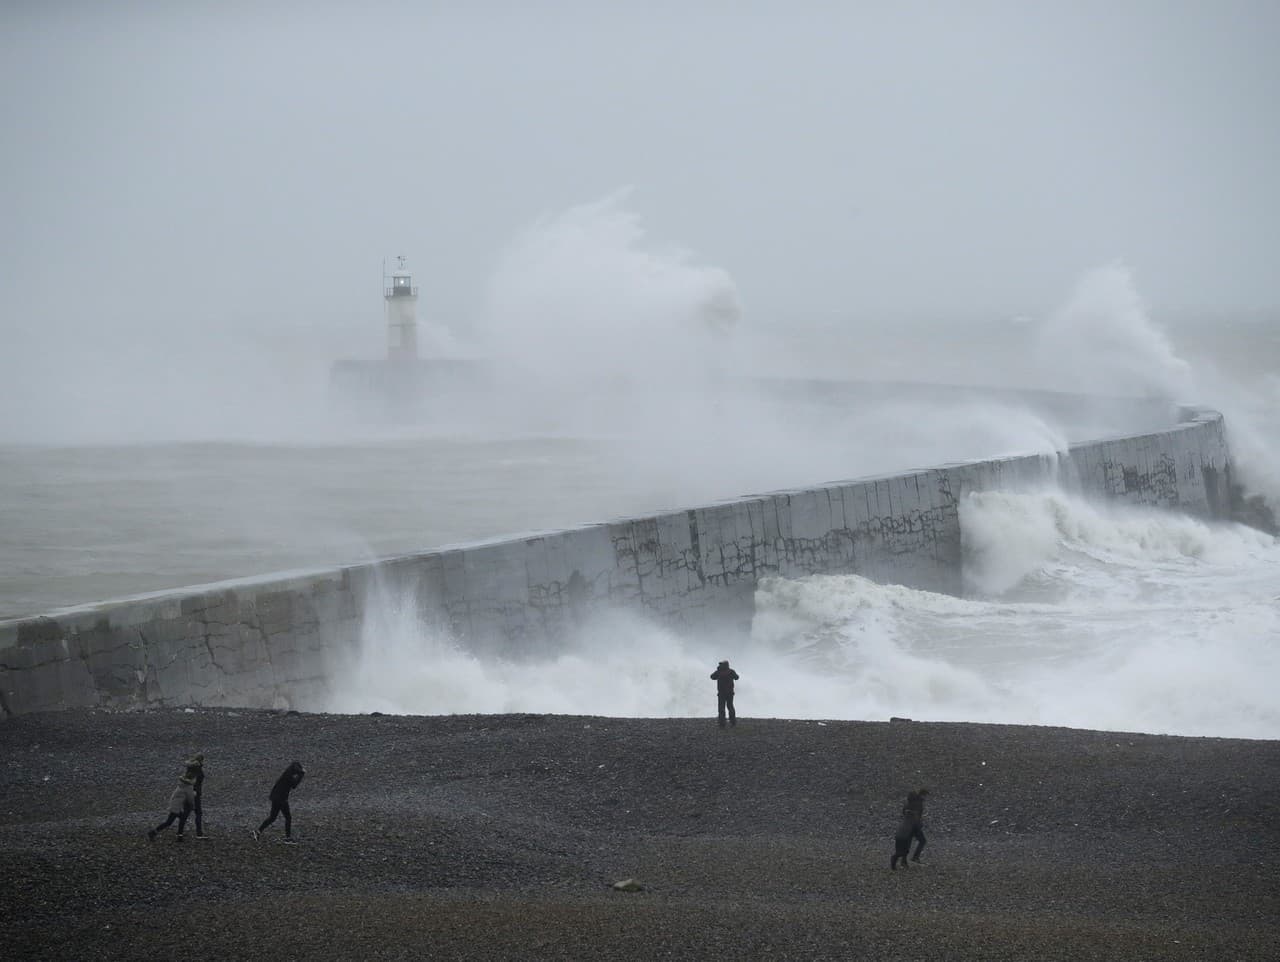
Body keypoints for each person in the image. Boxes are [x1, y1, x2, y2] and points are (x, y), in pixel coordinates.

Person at [252, 761, 305, 843]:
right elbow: (294, 785)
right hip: (281, 799)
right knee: (288, 817)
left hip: (276, 797)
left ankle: (258, 831)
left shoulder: (287, 773)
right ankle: (288, 838)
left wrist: (300, 774)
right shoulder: (288, 775)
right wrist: (301, 775)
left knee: (272, 817)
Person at [148, 774, 196, 842]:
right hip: (178, 807)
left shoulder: (181, 785)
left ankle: (179, 836)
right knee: (170, 822)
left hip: (174, 805)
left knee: (177, 820)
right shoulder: (188, 787)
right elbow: (190, 799)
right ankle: (153, 832)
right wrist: (193, 803)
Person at [710, 660, 740, 728]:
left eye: (721, 664)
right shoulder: (731, 671)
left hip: (721, 693)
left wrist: (718, 672)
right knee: (730, 707)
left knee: (721, 708)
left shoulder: (719, 672)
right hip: (730, 693)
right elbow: (737, 677)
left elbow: (712, 677)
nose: (720, 665)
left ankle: (722, 724)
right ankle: (733, 722)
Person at [903, 787, 929, 862]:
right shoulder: (918, 803)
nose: (926, 798)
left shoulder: (909, 801)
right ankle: (915, 857)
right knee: (922, 841)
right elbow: (916, 815)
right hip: (914, 826)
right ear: (923, 795)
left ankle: (903, 860)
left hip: (907, 824)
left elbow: (904, 811)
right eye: (925, 796)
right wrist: (919, 823)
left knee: (908, 842)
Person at [184, 753, 206, 839]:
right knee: (198, 813)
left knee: (186, 812)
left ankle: (179, 832)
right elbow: (196, 782)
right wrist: (195, 791)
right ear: (201, 760)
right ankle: (199, 833)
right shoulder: (197, 769)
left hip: (188, 792)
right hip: (194, 793)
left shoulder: (190, 768)